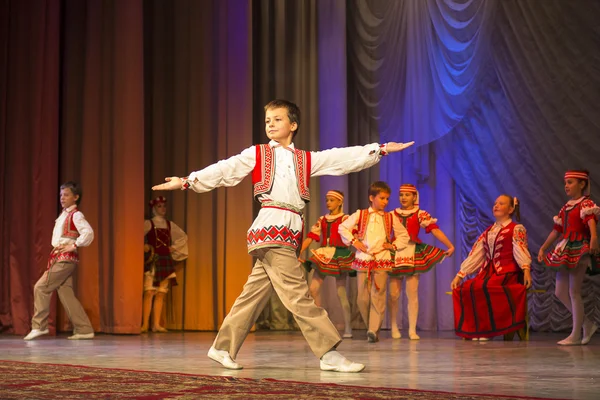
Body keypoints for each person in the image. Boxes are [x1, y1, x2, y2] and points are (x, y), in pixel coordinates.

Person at [152, 99, 414, 372]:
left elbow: (340, 157)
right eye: (267, 120)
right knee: (299, 294)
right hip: (271, 229)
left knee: (252, 295)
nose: (270, 124)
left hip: (289, 233)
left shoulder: (305, 159)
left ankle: (222, 347)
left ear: (293, 125)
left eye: (277, 119)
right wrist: (186, 181)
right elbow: (225, 168)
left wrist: (380, 149)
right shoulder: (258, 154)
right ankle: (328, 352)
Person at [451, 195, 532, 340]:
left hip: (508, 272)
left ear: (511, 209)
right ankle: (476, 330)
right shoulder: (489, 231)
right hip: (489, 272)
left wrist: (526, 270)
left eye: (501, 204)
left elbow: (520, 249)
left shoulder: (516, 228)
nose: (496, 206)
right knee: (468, 287)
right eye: (495, 203)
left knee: (485, 287)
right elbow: (476, 254)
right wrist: (460, 275)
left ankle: (488, 331)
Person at [338, 181, 409, 343]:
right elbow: (342, 228)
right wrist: (354, 241)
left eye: (387, 199)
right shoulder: (361, 214)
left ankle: (373, 329)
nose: (385, 202)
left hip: (381, 258)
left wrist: (393, 245)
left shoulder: (390, 217)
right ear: (372, 198)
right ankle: (370, 326)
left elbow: (404, 235)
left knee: (378, 295)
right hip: (364, 259)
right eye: (382, 198)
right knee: (362, 298)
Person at [24, 181, 95, 341]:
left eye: (66, 195)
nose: (62, 198)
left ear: (76, 197)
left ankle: (39, 326)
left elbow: (88, 233)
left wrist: (74, 244)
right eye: (61, 195)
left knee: (41, 287)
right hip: (59, 257)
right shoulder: (64, 214)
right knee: (66, 294)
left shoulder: (76, 215)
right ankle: (84, 329)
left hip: (65, 259)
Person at [538, 170, 599, 345]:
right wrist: (543, 247)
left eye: (570, 182)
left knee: (574, 291)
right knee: (559, 291)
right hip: (565, 247)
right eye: (565, 182)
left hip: (579, 247)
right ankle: (586, 324)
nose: (566, 186)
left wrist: (594, 238)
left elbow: (590, 222)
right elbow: (557, 230)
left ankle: (575, 334)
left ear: (582, 184)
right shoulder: (566, 207)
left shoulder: (586, 203)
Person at [388, 184, 454, 340]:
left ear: (414, 197)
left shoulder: (420, 214)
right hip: (395, 252)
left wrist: (449, 245)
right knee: (394, 294)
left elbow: (435, 230)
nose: (403, 198)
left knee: (412, 293)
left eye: (407, 195)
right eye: (401, 195)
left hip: (412, 252)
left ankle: (412, 329)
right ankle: (393, 326)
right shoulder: (391, 215)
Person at [298, 190, 355, 338]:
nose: (328, 203)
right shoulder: (322, 219)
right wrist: (299, 251)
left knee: (341, 292)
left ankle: (348, 327)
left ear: (339, 202)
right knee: (314, 289)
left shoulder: (346, 219)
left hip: (340, 254)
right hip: (324, 254)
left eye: (331, 200)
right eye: (327, 200)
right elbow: (311, 237)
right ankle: (320, 324)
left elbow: (354, 236)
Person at [142, 196, 188, 333]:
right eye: (159, 206)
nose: (163, 209)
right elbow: (136, 235)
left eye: (164, 206)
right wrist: (145, 245)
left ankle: (156, 324)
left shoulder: (169, 225)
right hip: (153, 260)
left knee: (161, 293)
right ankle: (145, 324)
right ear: (154, 208)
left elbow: (182, 237)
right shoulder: (148, 224)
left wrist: (172, 248)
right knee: (149, 291)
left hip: (165, 259)